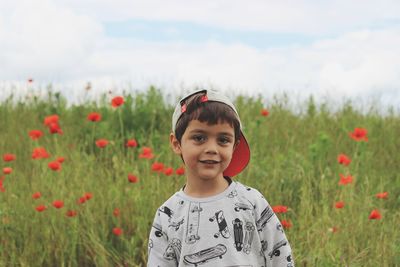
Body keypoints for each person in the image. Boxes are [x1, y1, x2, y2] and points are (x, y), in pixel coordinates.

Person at [147, 89, 294, 266]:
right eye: (199, 138)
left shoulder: (251, 201)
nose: (212, 149)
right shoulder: (168, 214)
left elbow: (280, 256)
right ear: (177, 143)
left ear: (234, 146)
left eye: (223, 140)